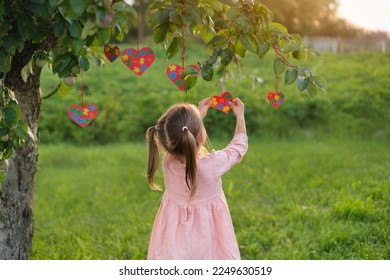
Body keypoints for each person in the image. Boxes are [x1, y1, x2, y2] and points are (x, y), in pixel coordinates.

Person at [145, 97, 248, 259]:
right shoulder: (212, 165)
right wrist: (240, 116)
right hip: (208, 232)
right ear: (201, 137)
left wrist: (197, 117)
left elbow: (184, 136)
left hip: (175, 232)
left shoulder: (168, 162)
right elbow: (238, 147)